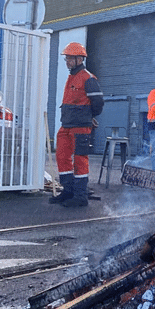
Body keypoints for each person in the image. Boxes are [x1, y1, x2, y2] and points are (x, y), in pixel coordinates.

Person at [50, 42, 104, 207]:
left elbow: (98, 103)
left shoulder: (88, 78)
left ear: (79, 59)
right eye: (66, 58)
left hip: (80, 127)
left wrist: (88, 117)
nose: (67, 61)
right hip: (66, 125)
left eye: (69, 58)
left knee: (80, 160)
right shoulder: (72, 76)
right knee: (62, 156)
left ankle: (80, 196)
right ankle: (68, 191)